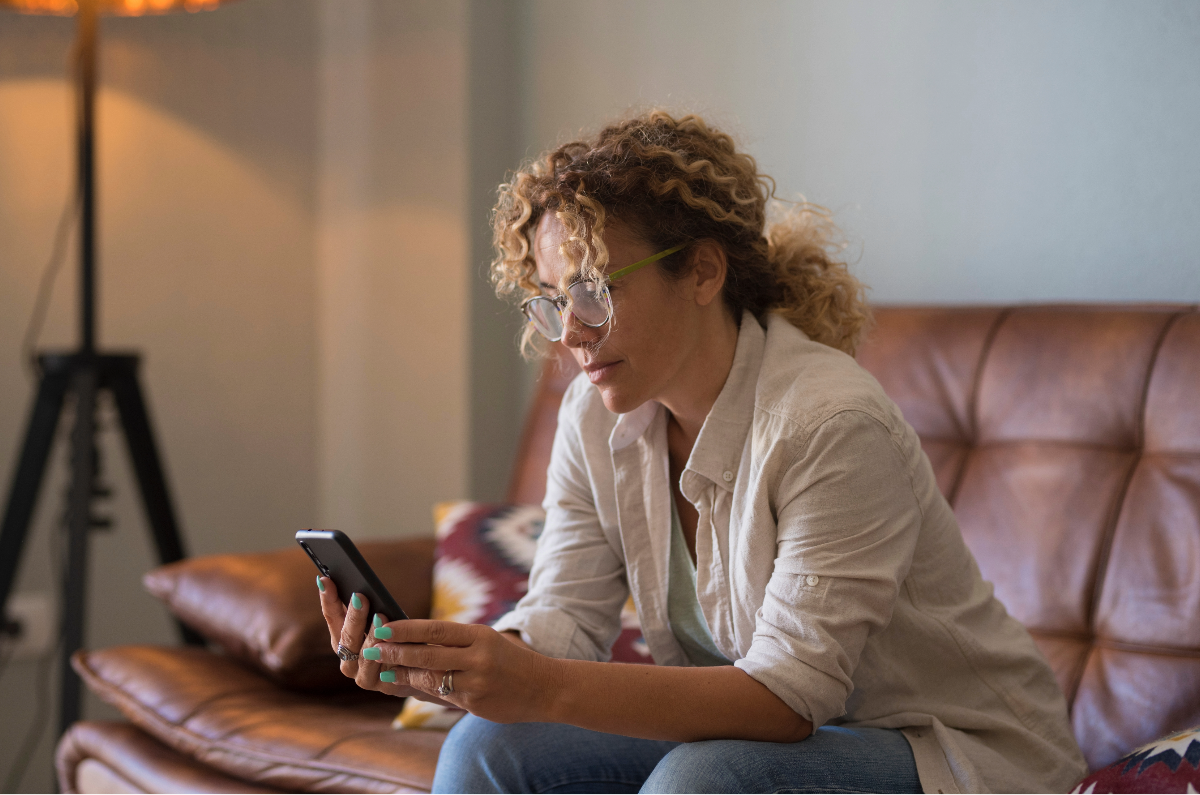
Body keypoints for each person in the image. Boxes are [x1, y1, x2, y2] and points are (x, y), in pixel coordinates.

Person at [317, 111, 1088, 793]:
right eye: (554, 301)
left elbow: (787, 700)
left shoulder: (831, 423)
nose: (572, 333)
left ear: (703, 270)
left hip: (949, 754)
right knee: (487, 746)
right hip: (788, 739)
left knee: (704, 780)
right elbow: (562, 621)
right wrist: (453, 663)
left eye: (594, 290)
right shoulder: (593, 413)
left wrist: (540, 686)